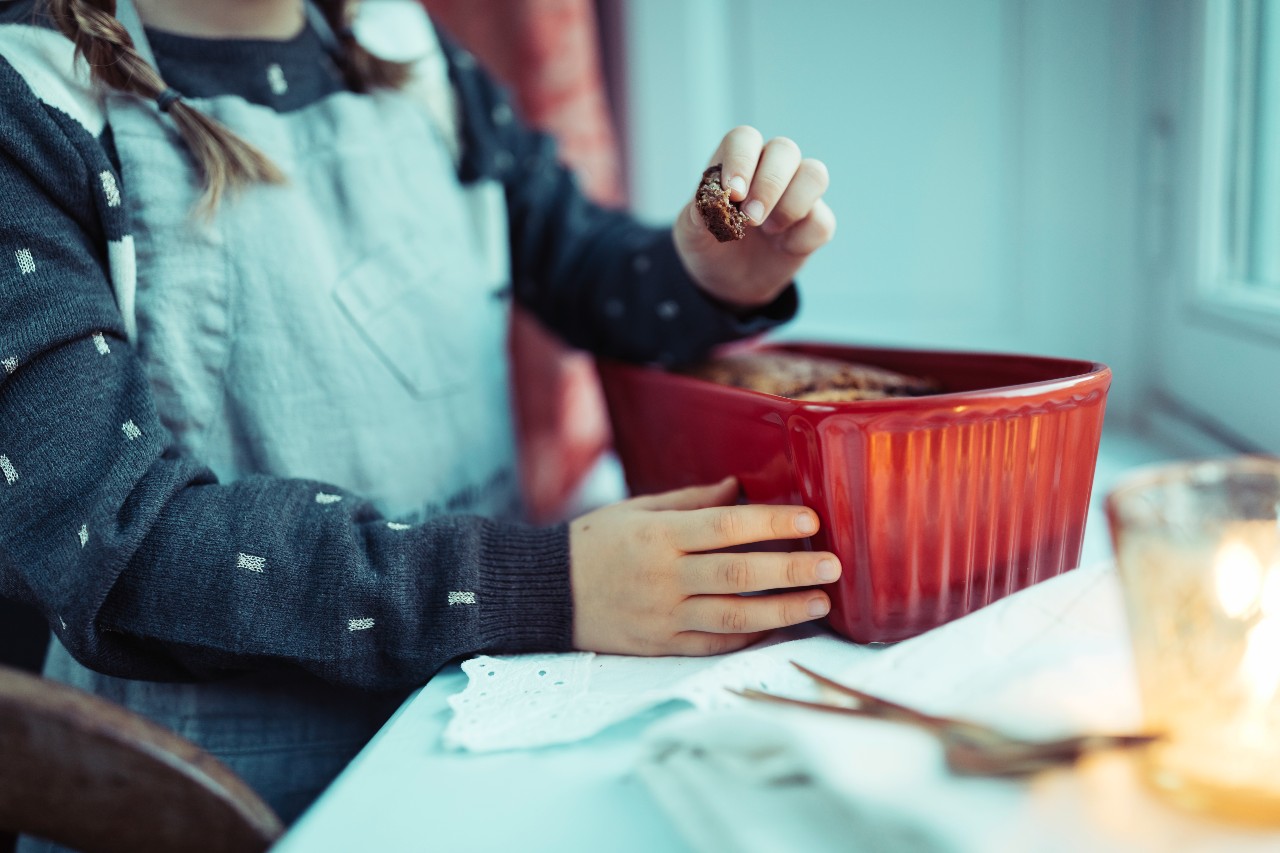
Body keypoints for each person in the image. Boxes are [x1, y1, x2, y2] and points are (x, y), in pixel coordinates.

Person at [0, 0, 839, 825]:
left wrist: (706, 268)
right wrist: (549, 583)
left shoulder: (406, 42)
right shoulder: (33, 101)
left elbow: (588, 270)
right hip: (220, 800)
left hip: (475, 738)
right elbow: (121, 543)